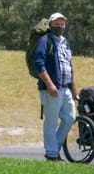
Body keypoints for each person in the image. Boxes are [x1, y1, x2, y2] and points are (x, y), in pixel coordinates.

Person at [32, 12, 78, 161]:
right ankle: (52, 154)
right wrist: (50, 85)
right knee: (51, 121)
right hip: (51, 89)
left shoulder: (65, 42)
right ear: (50, 25)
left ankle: (55, 149)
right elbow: (38, 63)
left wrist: (74, 89)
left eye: (62, 24)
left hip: (65, 89)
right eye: (57, 24)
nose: (60, 26)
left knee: (70, 118)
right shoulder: (45, 41)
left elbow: (69, 66)